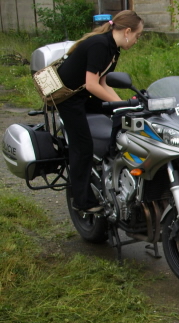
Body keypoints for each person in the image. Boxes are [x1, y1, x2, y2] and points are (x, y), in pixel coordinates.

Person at [56, 10, 144, 213]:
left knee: (118, 116)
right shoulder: (100, 45)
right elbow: (91, 85)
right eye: (137, 36)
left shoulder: (113, 49)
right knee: (83, 147)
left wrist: (122, 104)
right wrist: (121, 104)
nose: (137, 41)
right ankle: (82, 201)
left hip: (84, 96)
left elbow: (103, 82)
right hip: (70, 99)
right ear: (128, 31)